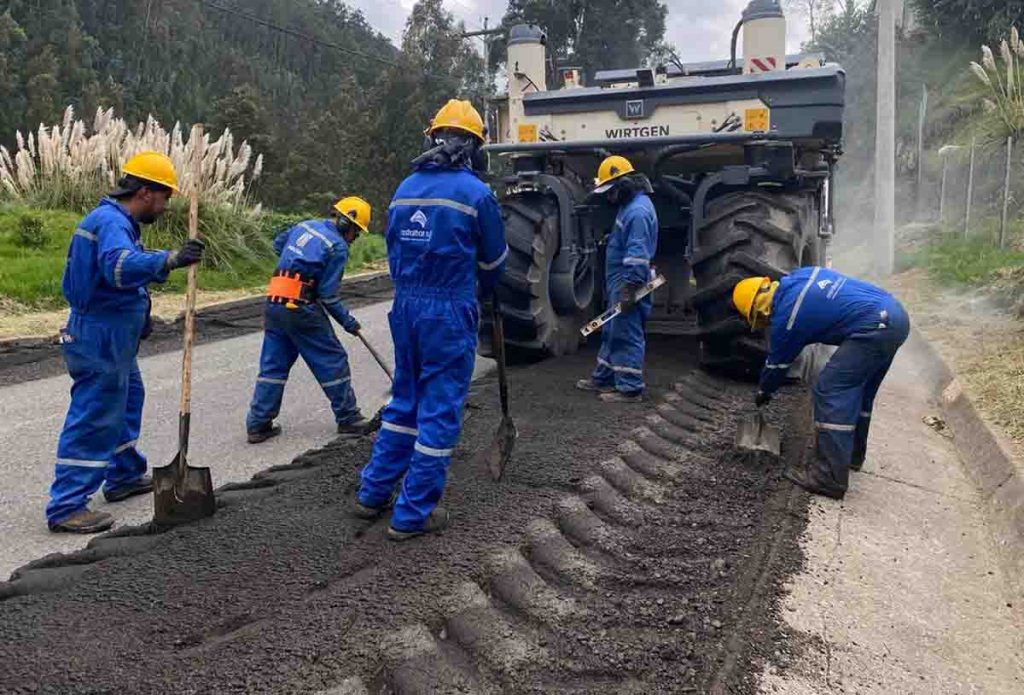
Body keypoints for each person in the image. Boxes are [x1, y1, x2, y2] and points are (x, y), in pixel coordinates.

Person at [355, 99, 507, 541]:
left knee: (405, 401)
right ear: (475, 147)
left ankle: (372, 494)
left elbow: (395, 250)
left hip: (406, 306)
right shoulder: (477, 195)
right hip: (447, 309)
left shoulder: (404, 188)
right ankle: (412, 514)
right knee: (440, 409)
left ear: (433, 138)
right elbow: (495, 262)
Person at [48, 151, 205, 534]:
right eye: (165, 197)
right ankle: (67, 505)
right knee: (96, 413)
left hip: (114, 331)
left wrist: (140, 315)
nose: (166, 206)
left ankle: (123, 475)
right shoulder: (111, 222)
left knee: (129, 397)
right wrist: (168, 259)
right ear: (147, 192)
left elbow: (111, 279)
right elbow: (119, 268)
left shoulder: (115, 221)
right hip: (98, 335)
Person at [732, 268, 911, 499]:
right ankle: (852, 457)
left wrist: (764, 391)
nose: (765, 324)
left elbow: (776, 365)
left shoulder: (786, 316)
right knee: (861, 389)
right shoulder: (801, 276)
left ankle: (829, 478)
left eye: (760, 320)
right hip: (896, 317)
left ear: (759, 309)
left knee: (831, 389)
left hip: (873, 327)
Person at [245, 197, 374, 443]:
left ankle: (258, 424)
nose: (355, 238)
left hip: (274, 302)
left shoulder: (305, 225)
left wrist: (296, 264)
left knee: (274, 364)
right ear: (348, 226)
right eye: (356, 232)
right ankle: (348, 417)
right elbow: (328, 295)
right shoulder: (337, 247)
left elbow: (277, 245)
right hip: (300, 308)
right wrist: (349, 322)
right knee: (332, 358)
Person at [576, 155, 659, 403]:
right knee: (612, 330)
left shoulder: (638, 212)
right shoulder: (631, 205)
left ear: (623, 185)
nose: (608, 197)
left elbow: (637, 253)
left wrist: (630, 288)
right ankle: (604, 377)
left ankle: (630, 388)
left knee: (626, 333)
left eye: (610, 191)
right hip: (621, 282)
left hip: (629, 283)